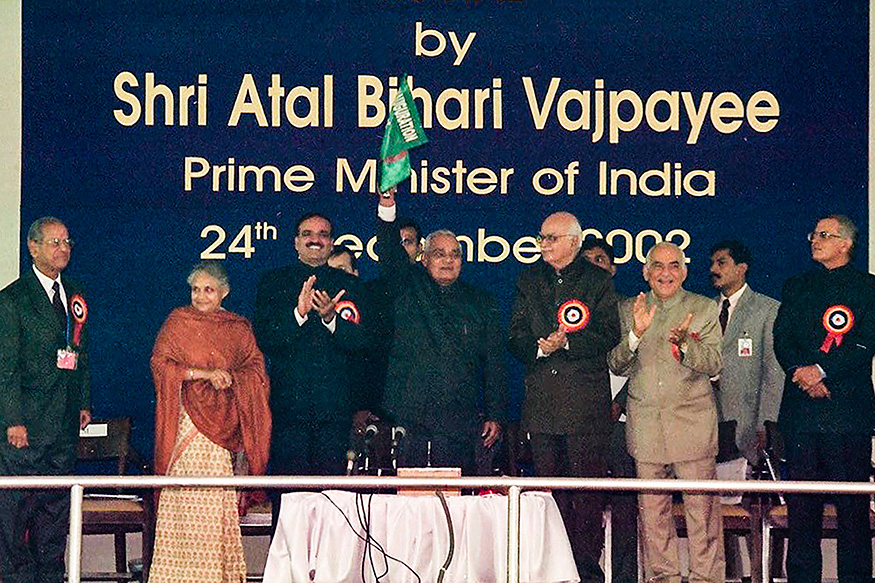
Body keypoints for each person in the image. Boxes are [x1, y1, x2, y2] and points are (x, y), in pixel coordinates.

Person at [509, 216, 620, 583]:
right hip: (543, 407)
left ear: (574, 241)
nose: (544, 243)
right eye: (541, 237)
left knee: (586, 498)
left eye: (552, 238)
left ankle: (586, 574)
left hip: (585, 409)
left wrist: (568, 343)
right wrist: (539, 349)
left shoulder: (598, 281)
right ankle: (549, 572)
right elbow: (516, 335)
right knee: (547, 496)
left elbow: (608, 333)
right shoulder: (528, 279)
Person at [609, 242, 724, 583]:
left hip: (692, 425)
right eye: (657, 266)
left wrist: (686, 345)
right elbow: (616, 362)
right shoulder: (630, 308)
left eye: (674, 265)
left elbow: (716, 363)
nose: (665, 273)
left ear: (684, 272)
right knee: (653, 518)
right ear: (645, 272)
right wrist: (635, 335)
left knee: (702, 517)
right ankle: (663, 578)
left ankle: (707, 579)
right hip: (645, 426)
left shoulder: (703, 308)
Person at [150, 261, 271, 583]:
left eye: (208, 289)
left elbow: (256, 371)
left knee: (216, 504)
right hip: (187, 425)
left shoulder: (238, 327)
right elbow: (160, 365)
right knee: (183, 504)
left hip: (224, 430)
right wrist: (201, 374)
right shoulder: (178, 322)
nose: (200, 296)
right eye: (195, 289)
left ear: (224, 293)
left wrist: (231, 378)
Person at [773, 214, 875, 583]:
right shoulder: (797, 286)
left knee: (852, 512)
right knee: (802, 512)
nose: (814, 240)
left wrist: (823, 371)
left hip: (847, 414)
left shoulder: (869, 288)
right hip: (802, 414)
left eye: (824, 235)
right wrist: (804, 374)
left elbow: (864, 344)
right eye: (813, 234)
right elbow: (782, 339)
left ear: (846, 244)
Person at [376, 189, 506, 472]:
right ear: (424, 258)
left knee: (456, 504)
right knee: (413, 503)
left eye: (455, 254)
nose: (448, 260)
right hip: (412, 415)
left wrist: (495, 414)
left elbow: (495, 363)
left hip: (461, 416)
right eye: (439, 254)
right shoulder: (409, 285)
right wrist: (387, 202)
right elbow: (389, 249)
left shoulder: (482, 301)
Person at [253, 213, 372, 522]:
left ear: (331, 242)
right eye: (307, 233)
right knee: (289, 504)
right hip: (289, 413)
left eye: (323, 233)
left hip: (334, 414)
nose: (315, 239)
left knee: (331, 505)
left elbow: (361, 343)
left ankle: (330, 570)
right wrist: (299, 312)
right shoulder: (273, 282)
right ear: (296, 241)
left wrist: (332, 318)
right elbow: (266, 339)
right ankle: (288, 569)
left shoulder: (350, 286)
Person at [0, 217, 91, 583]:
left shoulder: (75, 294)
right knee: (16, 511)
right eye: (54, 242)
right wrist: (12, 420)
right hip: (27, 425)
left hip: (63, 424)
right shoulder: (12, 300)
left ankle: (51, 576)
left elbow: (81, 354)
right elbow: (5, 368)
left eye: (67, 241)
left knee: (55, 511)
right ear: (32, 248)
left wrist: (83, 402)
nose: (63, 248)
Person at [580, 237, 638, 583]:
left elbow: (646, 364)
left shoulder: (632, 309)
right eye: (586, 261)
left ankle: (626, 577)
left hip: (624, 421)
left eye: (600, 260)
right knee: (584, 507)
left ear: (613, 268)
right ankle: (587, 576)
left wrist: (619, 402)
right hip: (584, 421)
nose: (594, 266)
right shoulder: (571, 310)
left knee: (626, 507)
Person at [709, 240, 783, 465]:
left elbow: (774, 374)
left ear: (742, 268)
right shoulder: (704, 309)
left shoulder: (768, 310)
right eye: (712, 263)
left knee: (747, 495)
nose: (713, 269)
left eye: (721, 263)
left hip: (748, 423)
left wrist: (766, 424)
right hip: (707, 421)